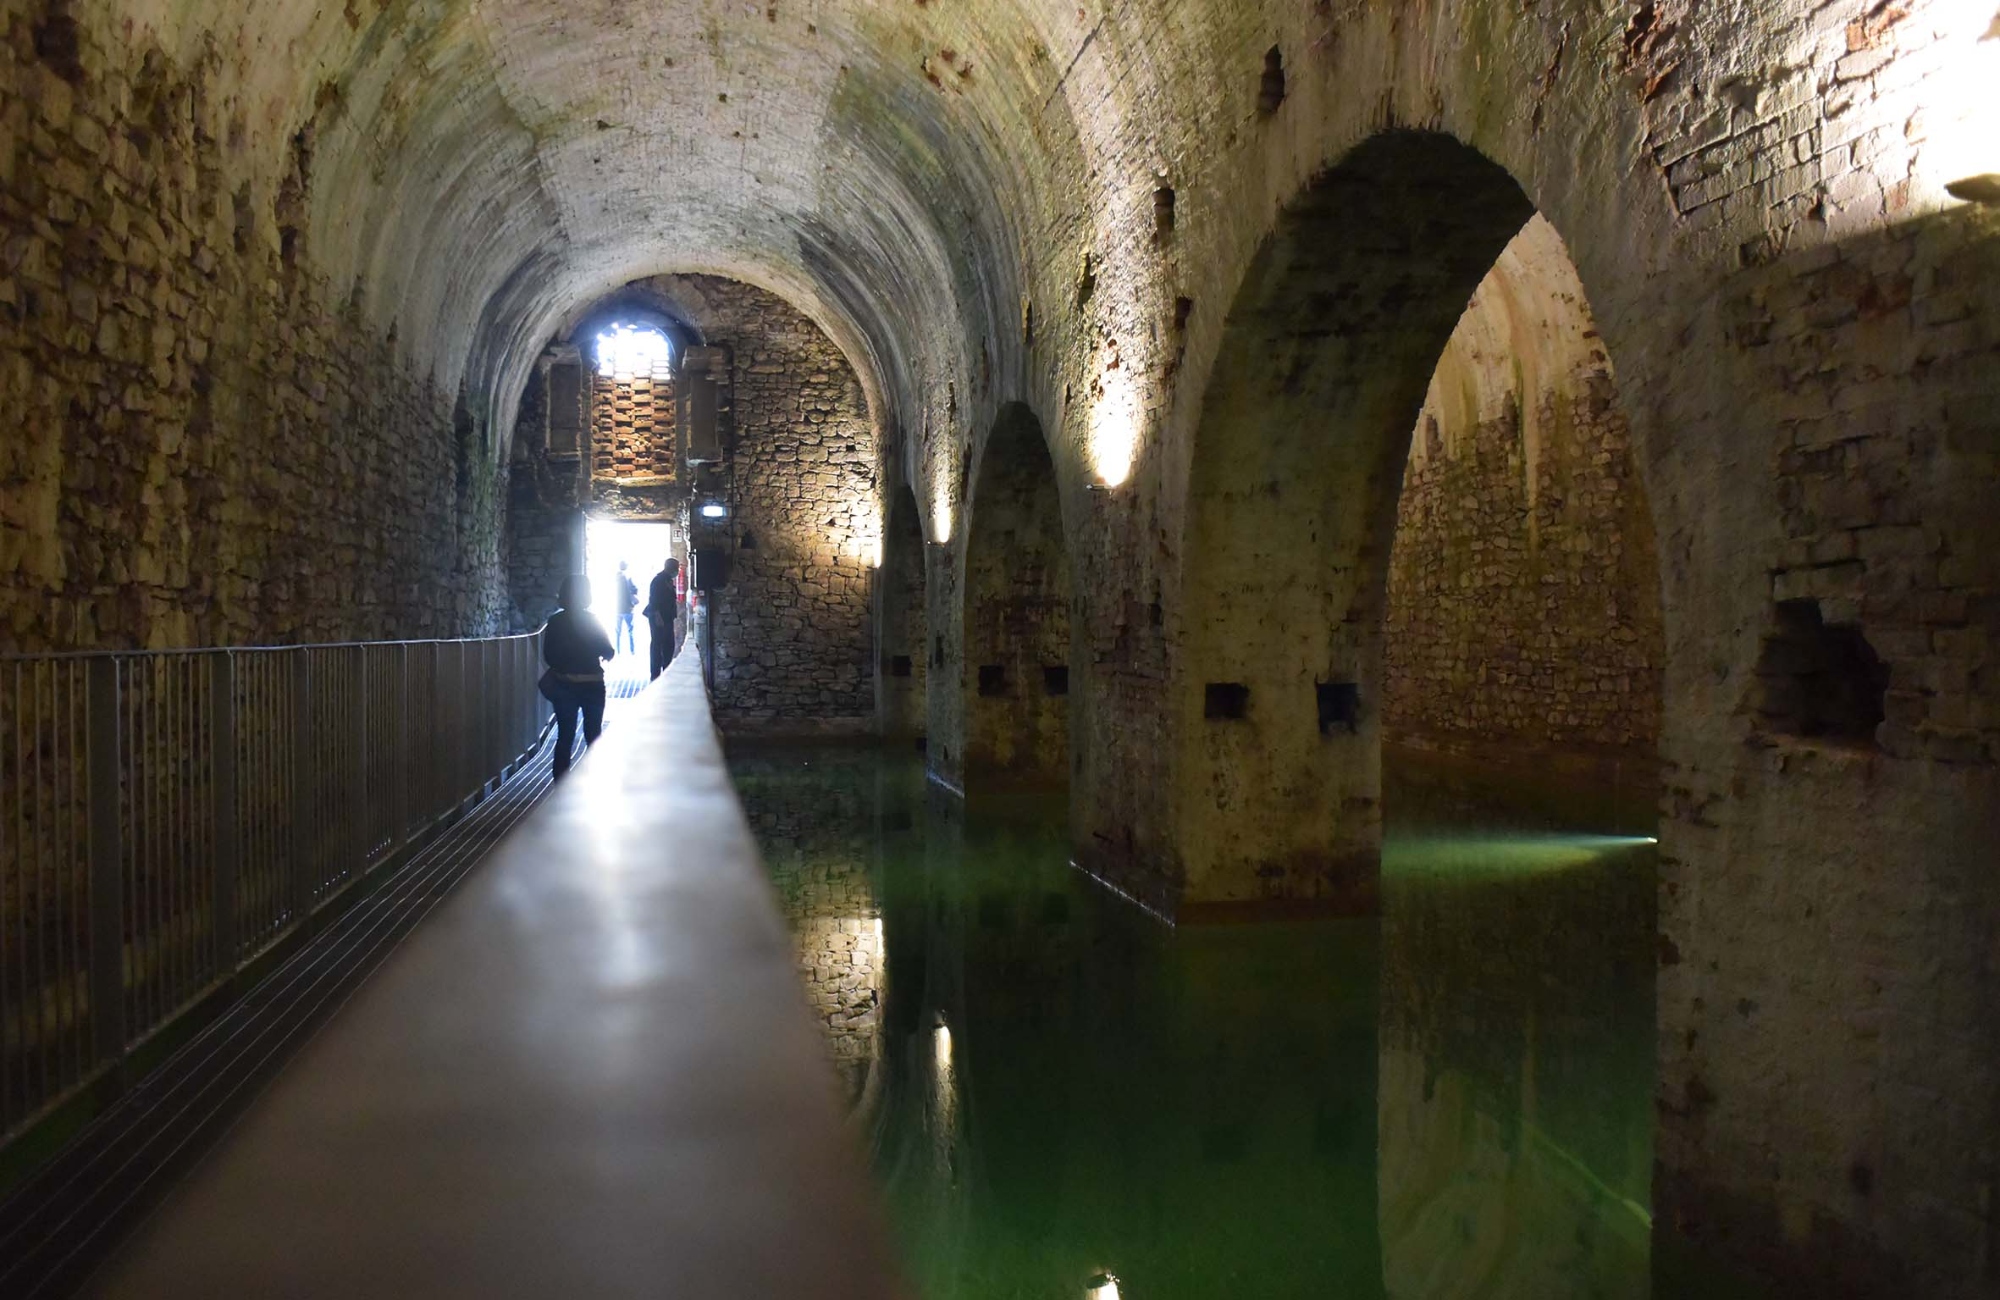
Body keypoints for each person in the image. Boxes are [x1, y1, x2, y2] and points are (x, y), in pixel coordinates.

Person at [539, 575, 615, 779]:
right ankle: (594, 782)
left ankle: (561, 785)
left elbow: (548, 655)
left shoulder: (555, 621)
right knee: (594, 737)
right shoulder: (592, 620)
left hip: (565, 685)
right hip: (593, 685)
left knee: (565, 736)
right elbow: (608, 651)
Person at [644, 556, 682, 680]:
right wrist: (657, 616)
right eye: (676, 568)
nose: (677, 571)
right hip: (659, 617)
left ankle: (666, 669)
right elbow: (653, 599)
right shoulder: (658, 580)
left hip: (666, 617)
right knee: (658, 644)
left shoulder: (667, 580)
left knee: (667, 644)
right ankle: (655, 674)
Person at [613, 560, 639, 655]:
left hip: (618, 609)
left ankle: (618, 651)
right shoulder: (627, 578)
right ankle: (632, 651)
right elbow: (633, 590)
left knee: (618, 631)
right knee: (630, 631)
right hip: (627, 609)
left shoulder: (615, 577)